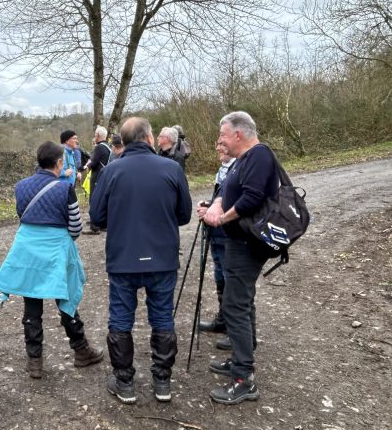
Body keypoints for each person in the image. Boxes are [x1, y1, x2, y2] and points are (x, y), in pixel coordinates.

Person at [89, 117, 192, 404]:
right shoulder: (171, 168)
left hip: (123, 258)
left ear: (123, 140)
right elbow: (184, 215)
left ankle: (125, 383)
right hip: (162, 258)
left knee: (121, 318)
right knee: (162, 316)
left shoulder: (111, 172)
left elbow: (96, 217)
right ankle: (162, 382)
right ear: (148, 138)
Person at [0, 141, 103, 379]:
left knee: (31, 303)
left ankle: (35, 362)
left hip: (27, 248)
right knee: (66, 297)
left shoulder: (21, 186)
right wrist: (64, 240)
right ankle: (81, 351)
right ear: (59, 162)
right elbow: (75, 225)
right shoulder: (64, 188)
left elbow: (22, 214)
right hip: (55, 249)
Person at [199, 111, 279, 405]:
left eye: (222, 135)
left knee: (234, 304)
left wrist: (222, 218)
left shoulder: (259, 155)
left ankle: (244, 378)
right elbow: (233, 194)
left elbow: (252, 198)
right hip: (239, 241)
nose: (220, 141)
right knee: (241, 301)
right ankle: (240, 358)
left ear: (238, 134)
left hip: (248, 243)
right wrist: (213, 207)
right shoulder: (245, 160)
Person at [197, 142, 236, 350]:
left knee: (232, 281)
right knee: (220, 277)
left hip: (230, 233)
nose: (218, 148)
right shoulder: (224, 167)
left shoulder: (239, 166)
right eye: (218, 143)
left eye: (223, 143)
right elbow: (220, 198)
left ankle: (235, 329)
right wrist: (208, 204)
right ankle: (223, 320)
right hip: (217, 233)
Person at [82, 125, 112, 235]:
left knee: (94, 199)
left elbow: (93, 162)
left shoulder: (99, 147)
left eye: (95, 134)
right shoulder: (107, 146)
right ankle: (103, 223)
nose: (94, 136)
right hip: (105, 176)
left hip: (97, 176)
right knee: (103, 199)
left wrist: (86, 165)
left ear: (98, 135)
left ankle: (94, 226)